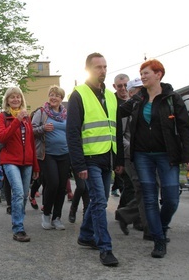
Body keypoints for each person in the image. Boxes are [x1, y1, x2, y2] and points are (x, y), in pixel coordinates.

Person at [120, 59, 189, 258]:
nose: (143, 76)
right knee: (150, 199)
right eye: (141, 73)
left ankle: (160, 226)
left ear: (158, 74)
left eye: (146, 73)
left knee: (171, 199)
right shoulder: (137, 100)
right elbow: (116, 112)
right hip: (142, 156)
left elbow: (186, 129)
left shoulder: (172, 98)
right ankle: (159, 241)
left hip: (167, 155)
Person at [66, 52, 123, 266]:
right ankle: (105, 248)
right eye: (98, 67)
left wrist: (119, 160)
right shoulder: (78, 94)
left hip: (108, 157)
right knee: (99, 201)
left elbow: (115, 130)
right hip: (89, 158)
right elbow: (72, 133)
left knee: (100, 201)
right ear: (89, 69)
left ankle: (85, 235)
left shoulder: (110, 96)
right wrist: (78, 164)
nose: (103, 70)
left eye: (105, 66)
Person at [0, 87, 39, 242]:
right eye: (12, 97)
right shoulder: (2, 117)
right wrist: (16, 121)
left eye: (18, 97)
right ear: (7, 100)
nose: (15, 100)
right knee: (19, 193)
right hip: (10, 160)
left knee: (24, 195)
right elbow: (1, 137)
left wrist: (36, 166)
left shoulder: (26, 118)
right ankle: (18, 228)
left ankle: (18, 219)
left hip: (27, 161)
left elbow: (31, 143)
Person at [32, 85, 70, 230]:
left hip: (65, 154)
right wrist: (43, 128)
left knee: (62, 187)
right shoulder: (41, 112)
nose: (53, 97)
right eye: (51, 94)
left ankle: (57, 217)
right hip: (47, 154)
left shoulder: (66, 114)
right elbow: (31, 130)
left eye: (57, 95)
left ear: (61, 98)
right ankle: (46, 213)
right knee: (53, 183)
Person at [115, 78, 149, 236]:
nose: (142, 91)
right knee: (142, 188)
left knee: (149, 187)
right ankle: (146, 224)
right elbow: (118, 135)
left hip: (145, 153)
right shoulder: (125, 108)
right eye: (137, 89)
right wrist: (129, 150)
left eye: (142, 88)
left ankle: (131, 216)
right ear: (131, 92)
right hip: (130, 155)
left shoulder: (146, 104)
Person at [111, 74, 130, 199]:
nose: (123, 88)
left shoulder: (135, 98)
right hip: (120, 142)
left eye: (126, 85)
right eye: (120, 86)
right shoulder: (111, 102)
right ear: (114, 86)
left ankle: (124, 210)